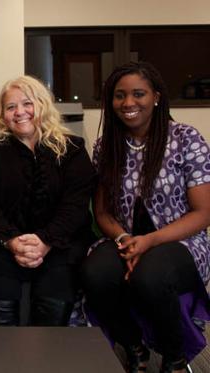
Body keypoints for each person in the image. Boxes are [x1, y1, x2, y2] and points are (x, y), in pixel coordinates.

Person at [80, 61, 210, 373]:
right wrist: (125, 239)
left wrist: (149, 241)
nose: (128, 103)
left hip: (182, 241)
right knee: (94, 274)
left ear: (156, 97)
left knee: (149, 276)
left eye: (138, 94)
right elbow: (102, 212)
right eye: (119, 95)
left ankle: (175, 357)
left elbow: (204, 213)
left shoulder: (185, 139)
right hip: (124, 238)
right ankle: (133, 345)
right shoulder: (106, 146)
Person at [0, 75, 95, 327]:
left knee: (60, 274)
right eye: (10, 107)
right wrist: (12, 241)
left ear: (42, 105)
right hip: (2, 243)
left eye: (27, 103)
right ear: (3, 115)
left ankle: (43, 362)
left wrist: (45, 240)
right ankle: (4, 361)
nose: (19, 112)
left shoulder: (73, 149)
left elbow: (76, 205)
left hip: (58, 244)